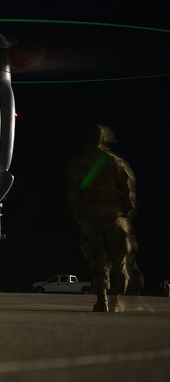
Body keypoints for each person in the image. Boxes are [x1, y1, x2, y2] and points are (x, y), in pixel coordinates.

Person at [67, 124, 136, 312]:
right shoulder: (114, 162)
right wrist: (126, 211)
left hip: (91, 221)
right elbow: (126, 189)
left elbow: (74, 196)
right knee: (118, 260)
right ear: (103, 139)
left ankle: (102, 300)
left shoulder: (79, 166)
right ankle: (116, 299)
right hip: (113, 218)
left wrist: (81, 218)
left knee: (98, 261)